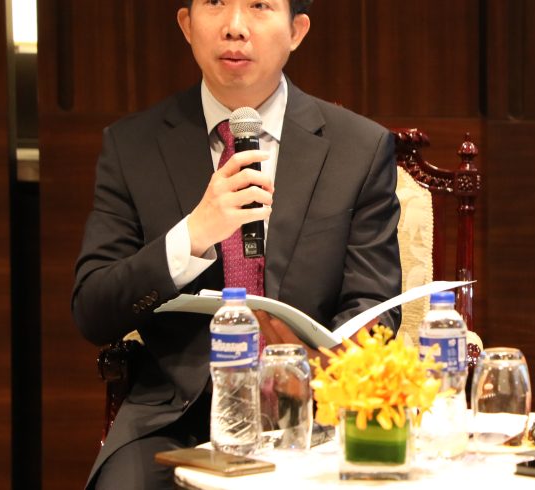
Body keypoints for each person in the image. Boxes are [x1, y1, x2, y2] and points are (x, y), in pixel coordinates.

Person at [71, 0, 402, 487]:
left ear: (297, 31)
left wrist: (324, 365)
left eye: (260, 5)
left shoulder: (359, 147)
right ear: (186, 24)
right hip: (176, 419)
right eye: (215, 4)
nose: (235, 27)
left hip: (315, 413)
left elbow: (375, 304)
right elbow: (93, 309)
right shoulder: (132, 146)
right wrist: (193, 234)